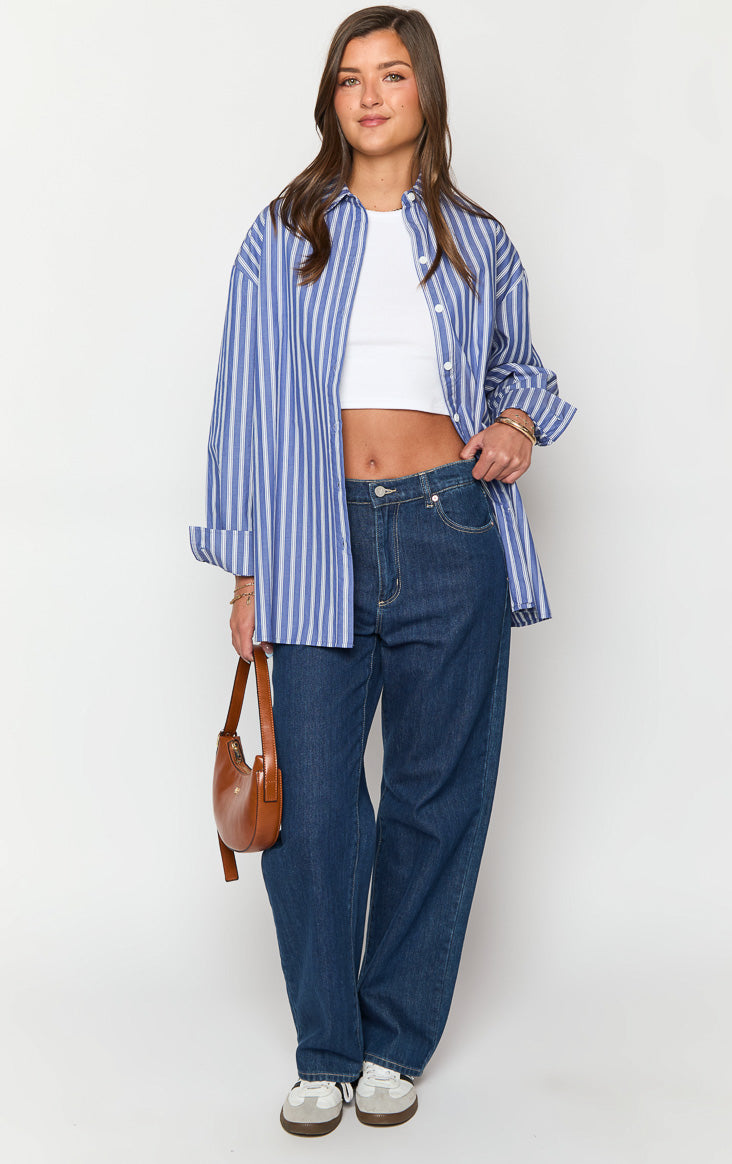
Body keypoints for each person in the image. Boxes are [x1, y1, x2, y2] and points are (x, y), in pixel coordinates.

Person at [189, 4, 576, 1137]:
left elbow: (523, 370)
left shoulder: (477, 241)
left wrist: (516, 425)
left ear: (425, 93)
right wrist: (247, 572)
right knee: (311, 805)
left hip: (450, 525)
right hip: (314, 536)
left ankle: (394, 1041)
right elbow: (244, 405)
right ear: (332, 98)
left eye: (391, 74)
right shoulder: (283, 234)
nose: (368, 94)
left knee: (435, 793)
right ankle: (324, 1045)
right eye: (350, 76)